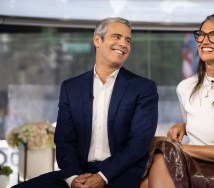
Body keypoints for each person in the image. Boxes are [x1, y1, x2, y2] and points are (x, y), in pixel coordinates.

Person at [13, 17, 159, 188]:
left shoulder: (143, 88)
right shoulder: (71, 87)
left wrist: (102, 176)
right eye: (117, 37)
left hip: (121, 173)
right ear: (97, 39)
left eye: (128, 40)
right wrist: (73, 178)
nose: (124, 44)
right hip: (79, 172)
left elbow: (138, 144)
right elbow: (64, 140)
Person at [140, 14, 214, 188]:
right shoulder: (185, 87)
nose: (204, 40)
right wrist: (185, 126)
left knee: (162, 155)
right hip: (193, 164)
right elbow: (204, 124)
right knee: (149, 178)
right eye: (201, 35)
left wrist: (181, 149)